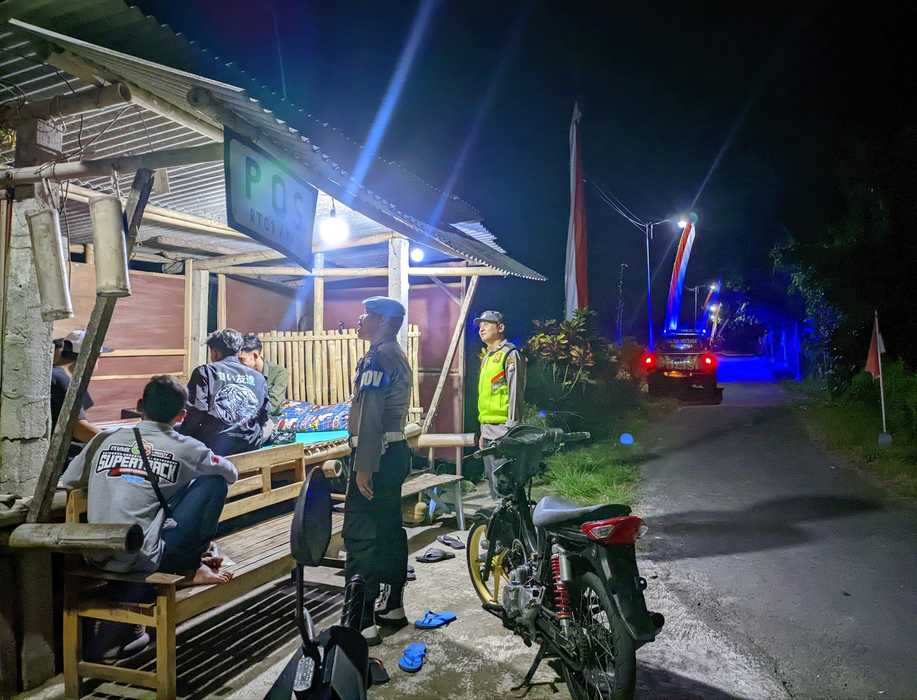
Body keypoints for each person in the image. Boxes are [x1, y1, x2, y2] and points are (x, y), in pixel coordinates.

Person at [59, 375, 238, 661]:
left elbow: (69, 481)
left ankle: (127, 631)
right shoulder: (187, 447)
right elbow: (230, 473)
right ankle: (190, 566)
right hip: (143, 558)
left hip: (97, 553)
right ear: (182, 415)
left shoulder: (104, 438)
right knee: (212, 482)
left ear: (140, 405)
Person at [343, 296, 413, 645]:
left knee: (361, 535)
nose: (359, 319)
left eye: (366, 314)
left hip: (377, 456)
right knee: (388, 529)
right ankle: (392, 606)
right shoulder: (395, 354)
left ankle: (361, 622)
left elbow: (370, 412)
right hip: (393, 452)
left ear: (383, 321)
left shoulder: (378, 357)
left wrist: (364, 467)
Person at [179, 328, 270, 456]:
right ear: (239, 351)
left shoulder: (205, 372)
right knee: (269, 425)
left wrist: (181, 437)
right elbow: (264, 415)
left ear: (215, 352)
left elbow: (196, 413)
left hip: (213, 445)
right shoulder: (258, 377)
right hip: (250, 444)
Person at [475, 310, 526, 498]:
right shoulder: (487, 358)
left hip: (504, 430)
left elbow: (515, 393)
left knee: (506, 486)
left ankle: (516, 517)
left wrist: (513, 429)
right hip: (488, 430)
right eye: (480, 325)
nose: (481, 328)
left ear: (501, 327)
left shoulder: (510, 354)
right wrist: (483, 430)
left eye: (487, 324)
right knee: (494, 485)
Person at [50, 330, 104, 459]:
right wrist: (117, 441)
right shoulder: (62, 380)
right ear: (89, 358)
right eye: (98, 357)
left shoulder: (60, 376)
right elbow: (78, 429)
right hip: (61, 458)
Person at [239, 333, 289, 415]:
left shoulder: (279, 373)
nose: (239, 363)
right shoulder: (240, 372)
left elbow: (272, 405)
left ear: (255, 355)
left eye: (242, 359)